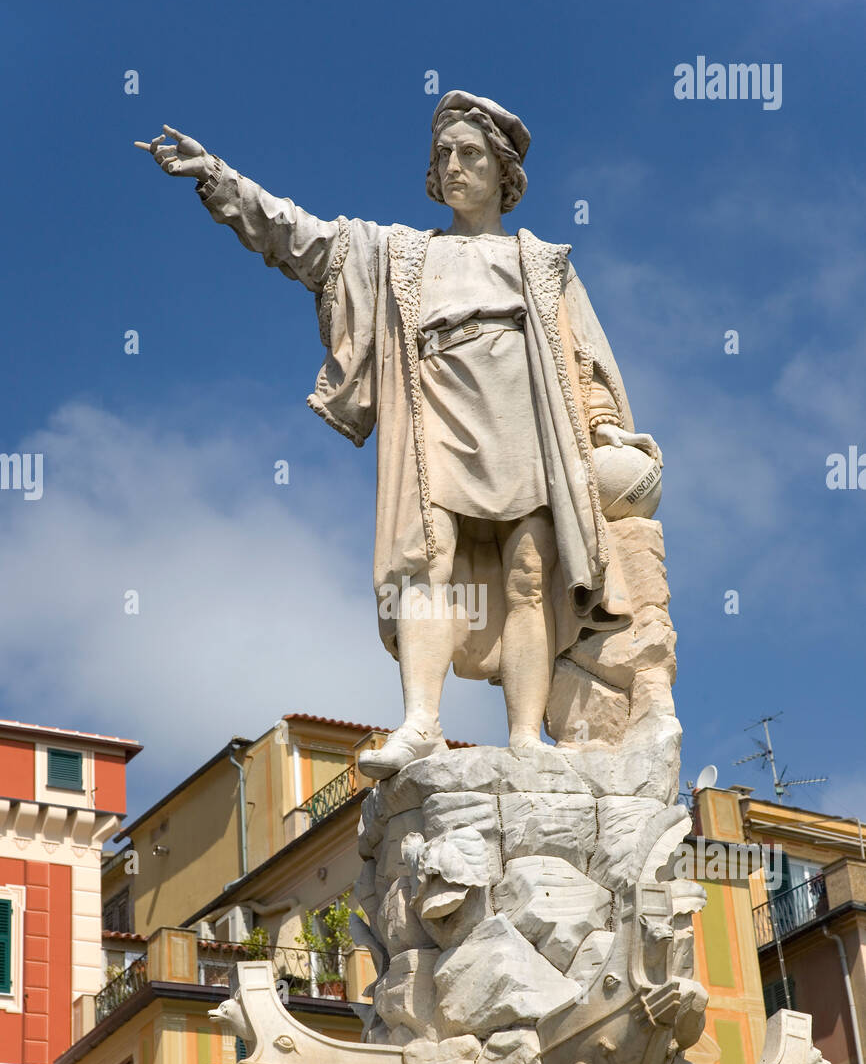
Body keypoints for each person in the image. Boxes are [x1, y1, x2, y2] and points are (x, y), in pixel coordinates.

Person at [136, 91, 661, 778]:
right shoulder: (397, 254)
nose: (452, 166)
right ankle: (421, 723)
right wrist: (217, 178)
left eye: (469, 153)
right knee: (425, 560)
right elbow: (298, 239)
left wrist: (601, 432)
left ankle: (528, 735)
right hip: (434, 409)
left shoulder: (544, 264)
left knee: (530, 574)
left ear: (504, 172)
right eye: (442, 154)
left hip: (527, 418)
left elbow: (582, 360)